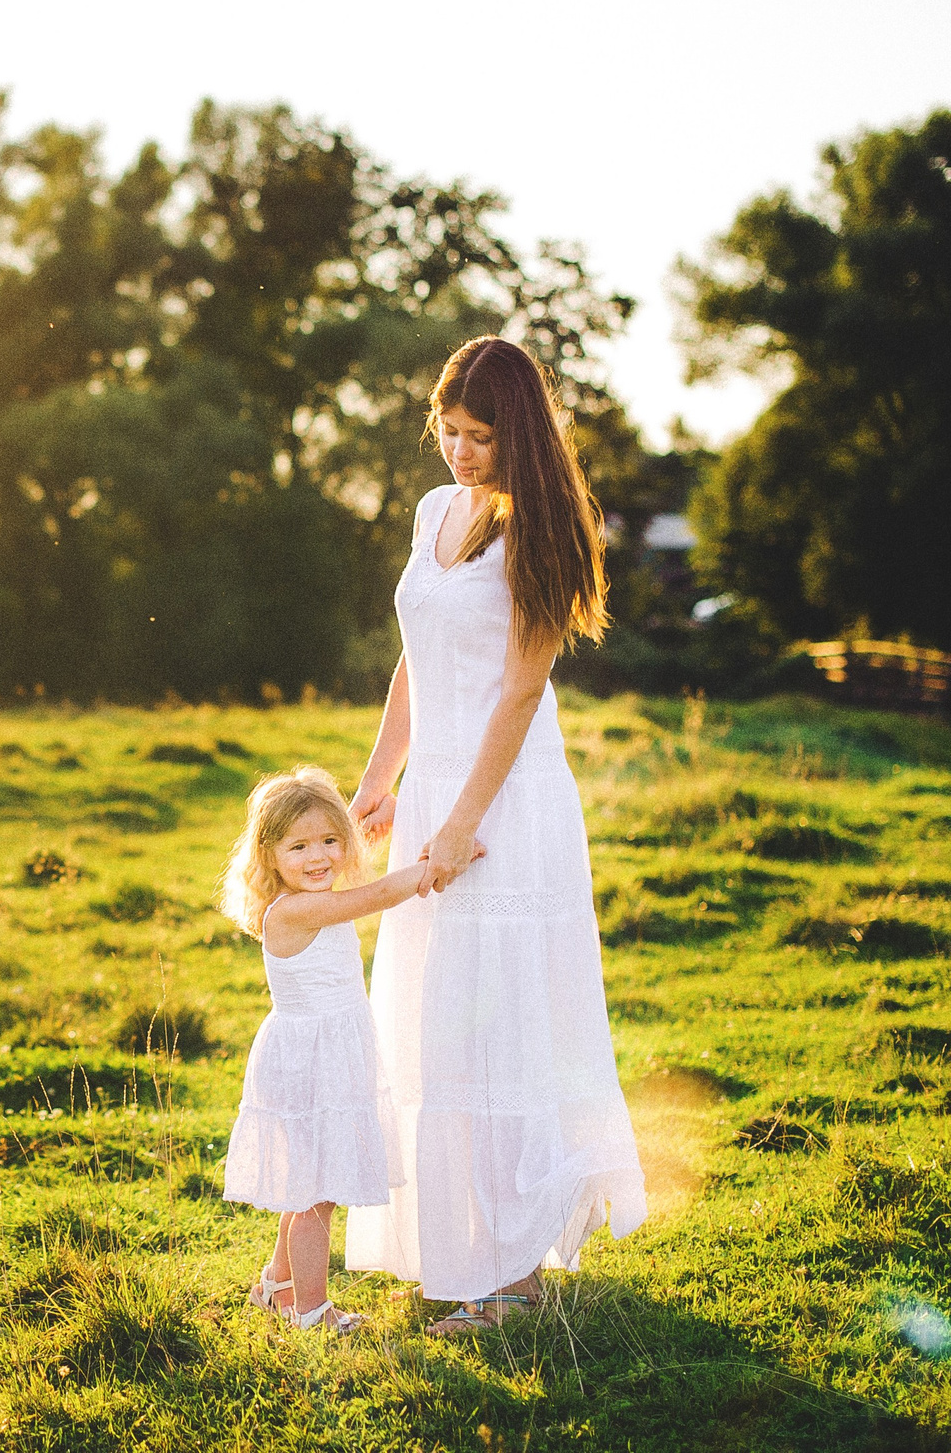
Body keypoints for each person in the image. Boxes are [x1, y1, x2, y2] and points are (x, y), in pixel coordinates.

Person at [343, 334, 648, 1337]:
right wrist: (382, 778)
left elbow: (519, 690)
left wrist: (461, 824)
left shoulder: (544, 529)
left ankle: (513, 1278)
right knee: (434, 1020)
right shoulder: (435, 511)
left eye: (481, 436)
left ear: (518, 433)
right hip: (435, 791)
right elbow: (417, 656)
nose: (461, 452)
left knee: (494, 1022)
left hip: (503, 803)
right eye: (449, 430)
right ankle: (459, 1245)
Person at [217, 765, 467, 1333]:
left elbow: (341, 845)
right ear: (269, 855)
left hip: (326, 1054)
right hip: (312, 1063)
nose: (318, 857)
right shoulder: (295, 910)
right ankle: (312, 1311)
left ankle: (277, 1285)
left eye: (330, 841)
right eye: (299, 846)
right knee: (318, 1196)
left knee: (306, 1185)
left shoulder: (307, 891)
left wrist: (386, 818)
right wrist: (436, 863)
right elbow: (375, 895)